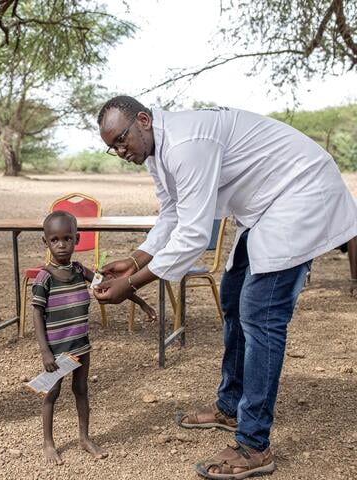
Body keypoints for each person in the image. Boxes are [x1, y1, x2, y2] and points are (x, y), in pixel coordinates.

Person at [93, 96, 357, 479]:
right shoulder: (157, 152)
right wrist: (137, 258)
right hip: (267, 206)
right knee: (233, 298)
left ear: (144, 121)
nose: (119, 151)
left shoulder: (184, 144)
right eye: (111, 147)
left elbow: (194, 234)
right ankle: (230, 407)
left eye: (121, 140)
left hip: (301, 192)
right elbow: (173, 212)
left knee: (260, 313)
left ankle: (254, 445)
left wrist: (131, 284)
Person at [31, 211, 156, 465]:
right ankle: (48, 442)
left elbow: (110, 285)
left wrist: (141, 303)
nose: (61, 245)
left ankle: (84, 438)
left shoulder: (79, 270)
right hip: (56, 350)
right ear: (45, 242)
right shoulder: (45, 277)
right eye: (55, 240)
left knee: (81, 390)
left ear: (76, 239)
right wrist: (44, 352)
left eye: (67, 238)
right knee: (51, 393)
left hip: (81, 345)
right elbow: (36, 313)